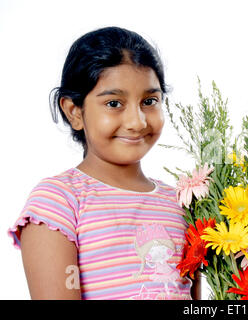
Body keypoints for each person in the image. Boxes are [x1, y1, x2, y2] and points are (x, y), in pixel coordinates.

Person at [7, 26, 199, 300]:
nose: (137, 121)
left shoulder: (181, 203)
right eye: (113, 103)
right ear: (74, 111)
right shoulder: (59, 201)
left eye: (149, 101)